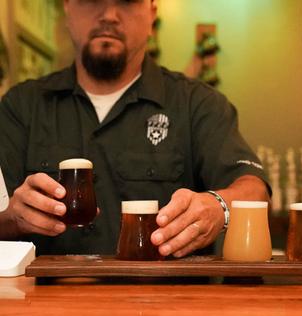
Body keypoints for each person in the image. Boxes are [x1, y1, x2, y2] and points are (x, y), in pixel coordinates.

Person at [0, 0, 270, 257]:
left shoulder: (198, 104)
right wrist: (12, 218)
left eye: (127, 1)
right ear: (67, 9)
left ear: (152, 13)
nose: (109, 15)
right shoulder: (21, 106)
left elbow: (254, 189)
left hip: (169, 303)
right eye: (92, 0)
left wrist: (217, 207)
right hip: (43, 302)